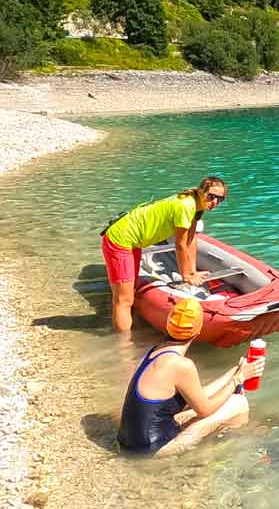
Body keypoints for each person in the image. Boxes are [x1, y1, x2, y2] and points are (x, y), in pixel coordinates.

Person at [117, 297, 263, 457]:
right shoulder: (181, 365)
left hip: (131, 442)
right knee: (238, 403)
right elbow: (205, 410)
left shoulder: (155, 352)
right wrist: (239, 379)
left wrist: (237, 371)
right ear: (198, 331)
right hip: (152, 450)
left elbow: (197, 398)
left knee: (213, 401)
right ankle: (223, 451)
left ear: (168, 325)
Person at [101, 176, 229, 333]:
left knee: (130, 289)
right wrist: (186, 275)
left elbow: (190, 241)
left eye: (220, 199)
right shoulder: (186, 206)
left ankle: (129, 324)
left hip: (133, 240)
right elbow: (181, 245)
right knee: (124, 299)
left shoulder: (197, 205)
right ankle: (124, 344)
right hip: (120, 239)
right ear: (201, 191)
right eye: (211, 196)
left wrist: (193, 271)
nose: (215, 202)